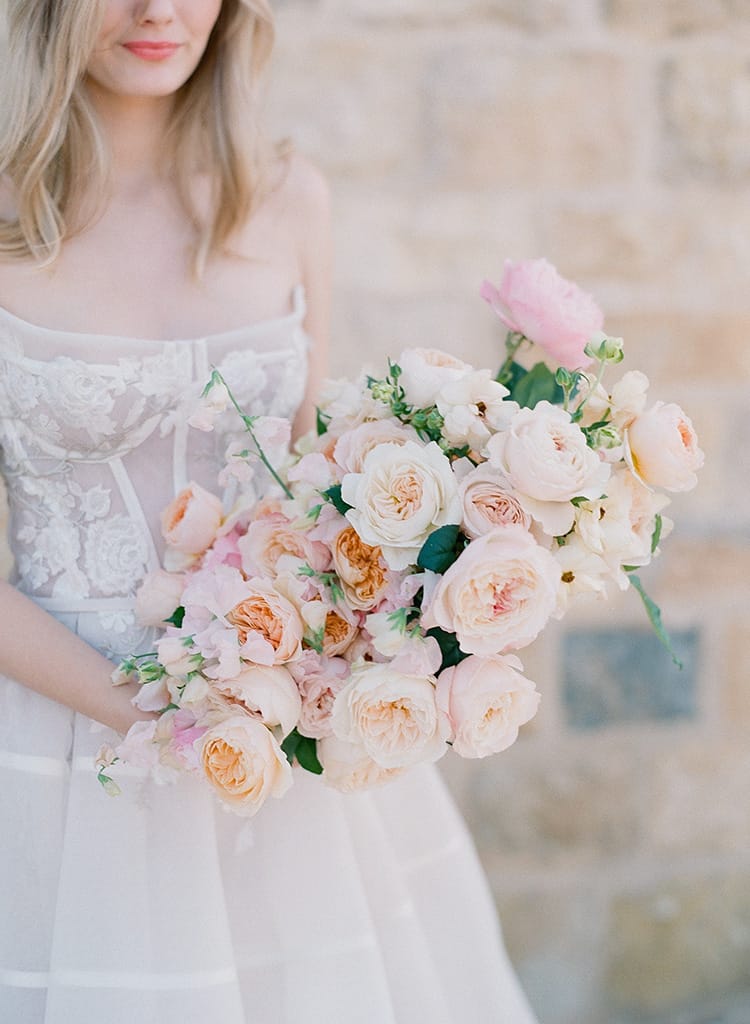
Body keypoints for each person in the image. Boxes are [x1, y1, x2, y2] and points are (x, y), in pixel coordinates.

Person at [0, 3, 539, 1022]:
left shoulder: (289, 201)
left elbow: (309, 497)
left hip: (281, 741)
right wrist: (164, 715)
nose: (161, 10)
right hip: (60, 740)